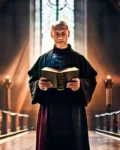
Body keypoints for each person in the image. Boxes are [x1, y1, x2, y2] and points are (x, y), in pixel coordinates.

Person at [28, 20, 97, 150]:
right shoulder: (43, 59)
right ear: (51, 35)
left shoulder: (79, 59)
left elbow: (91, 80)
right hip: (50, 110)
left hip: (73, 111)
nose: (60, 37)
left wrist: (80, 85)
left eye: (63, 33)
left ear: (68, 34)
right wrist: (39, 85)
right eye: (56, 33)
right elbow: (32, 80)